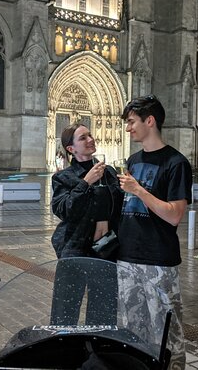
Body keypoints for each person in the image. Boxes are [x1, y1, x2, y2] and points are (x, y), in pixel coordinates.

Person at [117, 95, 192, 369]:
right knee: (133, 334)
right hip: (127, 259)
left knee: (168, 336)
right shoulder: (133, 159)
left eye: (132, 122)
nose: (128, 128)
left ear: (150, 121)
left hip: (159, 261)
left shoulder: (176, 163)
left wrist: (138, 190)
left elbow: (174, 215)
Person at [49, 123, 123, 326]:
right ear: (71, 149)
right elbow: (63, 210)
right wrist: (85, 183)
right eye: (83, 138)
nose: (90, 139)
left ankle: (98, 353)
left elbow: (118, 209)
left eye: (90, 135)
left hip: (106, 250)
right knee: (65, 311)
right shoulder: (63, 177)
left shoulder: (109, 172)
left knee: (104, 311)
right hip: (75, 250)